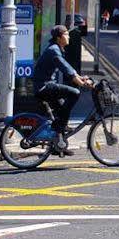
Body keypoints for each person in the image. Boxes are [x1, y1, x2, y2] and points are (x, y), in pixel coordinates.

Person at [34, 25, 94, 155]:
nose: (68, 37)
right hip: (44, 86)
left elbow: (68, 68)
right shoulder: (54, 50)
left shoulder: (57, 49)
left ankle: (57, 145)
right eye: (66, 34)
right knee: (75, 93)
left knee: (62, 112)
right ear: (59, 37)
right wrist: (81, 84)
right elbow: (66, 69)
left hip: (46, 85)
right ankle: (59, 128)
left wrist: (80, 78)